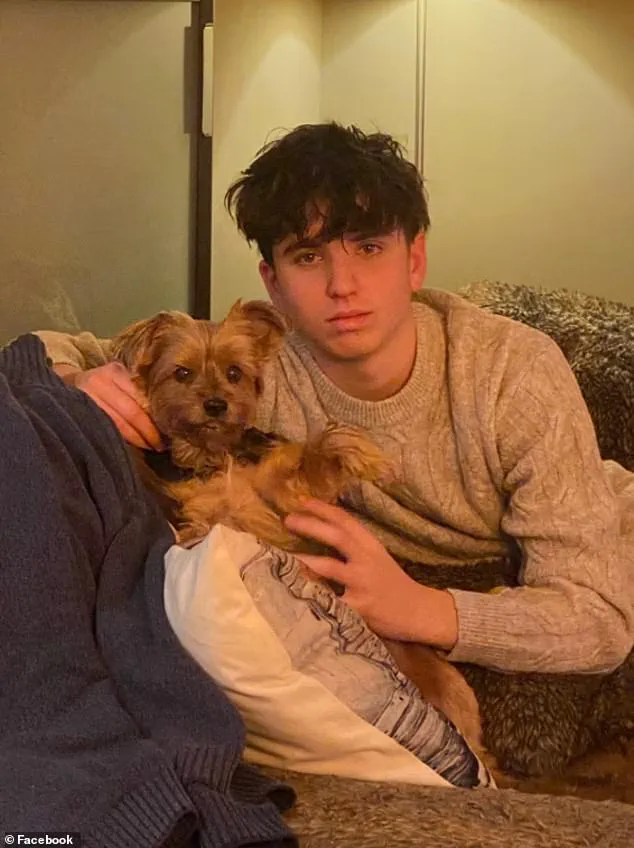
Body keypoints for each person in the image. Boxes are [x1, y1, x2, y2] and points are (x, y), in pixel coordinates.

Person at [38, 122, 634, 676]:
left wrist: (419, 608)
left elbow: (597, 618)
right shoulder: (254, 367)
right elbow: (47, 347)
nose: (341, 285)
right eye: (307, 257)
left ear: (415, 260)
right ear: (273, 282)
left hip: (579, 532)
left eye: (368, 248)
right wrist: (75, 380)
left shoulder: (514, 374)